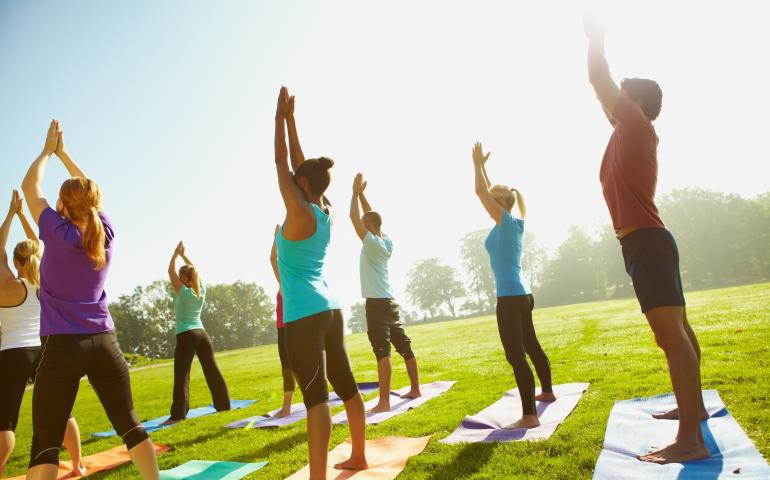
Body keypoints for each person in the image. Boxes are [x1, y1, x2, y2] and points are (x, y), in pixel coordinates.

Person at [584, 17, 709, 464]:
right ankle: (692, 411)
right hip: (649, 243)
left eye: (620, 93)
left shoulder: (634, 122)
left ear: (634, 101)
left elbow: (599, 79)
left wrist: (595, 38)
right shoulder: (626, 130)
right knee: (680, 332)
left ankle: (690, 437)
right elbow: (603, 91)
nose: (609, 101)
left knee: (670, 337)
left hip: (649, 244)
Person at [21, 120, 159, 479]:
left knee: (46, 443)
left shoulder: (58, 230)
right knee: (130, 425)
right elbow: (93, 197)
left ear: (63, 205)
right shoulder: (106, 233)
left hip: (64, 347)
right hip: (105, 343)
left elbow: (29, 186)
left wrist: (46, 152)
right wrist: (65, 155)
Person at [274, 86, 368, 478]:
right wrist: (293, 121)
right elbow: (299, 163)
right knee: (344, 383)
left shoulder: (296, 209)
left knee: (315, 398)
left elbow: (281, 161)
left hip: (304, 313)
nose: (294, 180)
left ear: (303, 185)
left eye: (298, 179)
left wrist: (277, 118)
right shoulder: (322, 207)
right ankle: (358, 456)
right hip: (330, 307)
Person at [0, 190, 85, 478]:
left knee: (5, 421)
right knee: (63, 412)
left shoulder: (8, 286)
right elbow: (40, 244)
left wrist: (11, 214)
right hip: (45, 349)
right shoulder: (48, 281)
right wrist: (24, 215)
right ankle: (77, 465)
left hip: (12, 354)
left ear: (15, 263)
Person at [471, 142, 554, 430]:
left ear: (499, 205)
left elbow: (483, 192)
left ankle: (530, 415)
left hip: (509, 297)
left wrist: (474, 164)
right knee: (530, 344)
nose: (486, 205)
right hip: (523, 294)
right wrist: (483, 167)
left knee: (515, 355)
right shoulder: (511, 221)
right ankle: (547, 391)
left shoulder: (505, 222)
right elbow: (492, 191)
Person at [348, 173, 421, 413]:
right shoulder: (386, 241)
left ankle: (384, 402)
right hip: (390, 301)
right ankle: (415, 389)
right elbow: (371, 217)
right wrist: (362, 195)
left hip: (377, 304)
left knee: (382, 351)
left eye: (365, 222)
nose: (362, 221)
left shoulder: (370, 242)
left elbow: (354, 217)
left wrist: (353, 193)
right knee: (404, 345)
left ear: (369, 226)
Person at [164, 241, 230, 425]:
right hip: (202, 334)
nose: (177, 277)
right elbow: (195, 271)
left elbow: (169, 271)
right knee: (212, 370)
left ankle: (178, 414)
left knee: (181, 374)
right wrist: (184, 256)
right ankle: (224, 405)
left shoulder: (183, 291)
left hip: (187, 335)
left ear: (185, 278)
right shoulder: (201, 290)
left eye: (180, 275)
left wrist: (176, 254)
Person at [269, 225, 295, 418]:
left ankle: (289, 408)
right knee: (287, 368)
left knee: (294, 367)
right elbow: (273, 259)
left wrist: (278, 238)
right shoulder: (284, 282)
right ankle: (286, 407)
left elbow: (273, 260)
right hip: (282, 329)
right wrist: (277, 239)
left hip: (293, 328)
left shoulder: (290, 282)